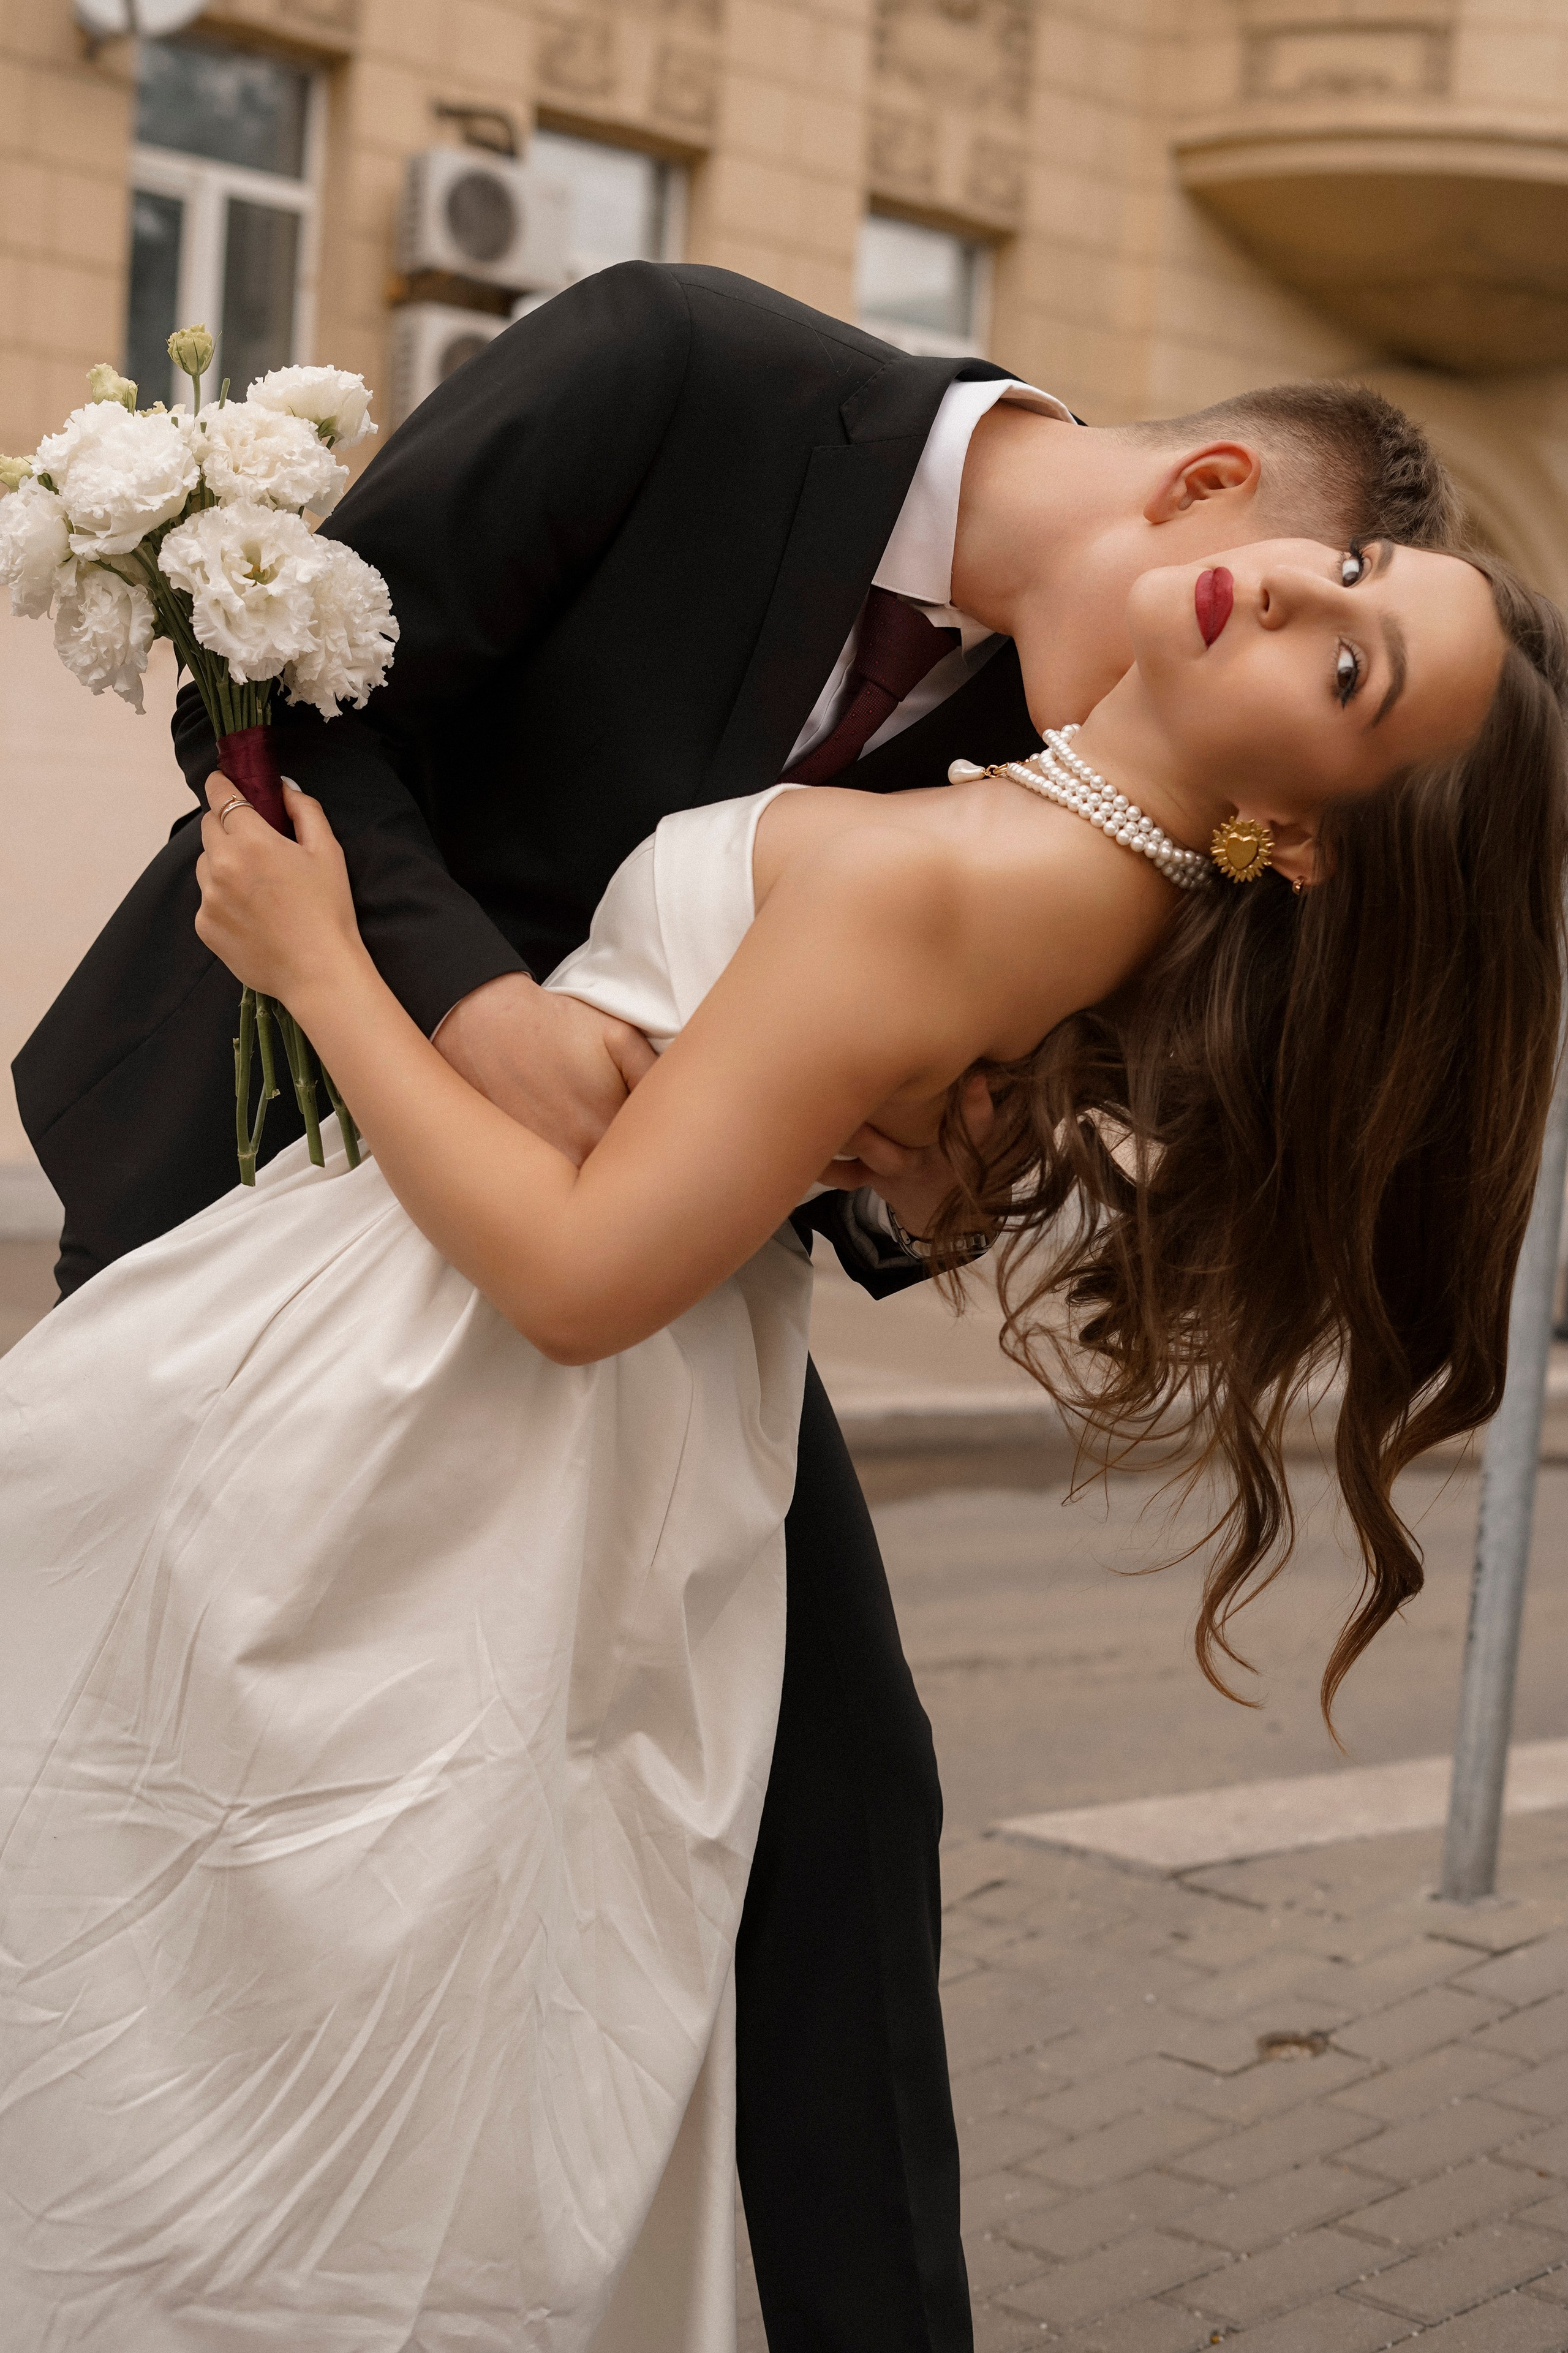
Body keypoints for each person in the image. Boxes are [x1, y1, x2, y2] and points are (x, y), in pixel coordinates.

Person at [9, 264, 1468, 2352]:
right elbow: (285, 685)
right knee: (154, 1749)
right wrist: (477, 1008)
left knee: (840, 1806)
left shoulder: (1110, 745)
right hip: (260, 1154)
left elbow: (895, 1117)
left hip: (644, 1293)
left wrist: (927, 1188)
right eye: (1310, 597)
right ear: (1210, 501)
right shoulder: (680, 370)